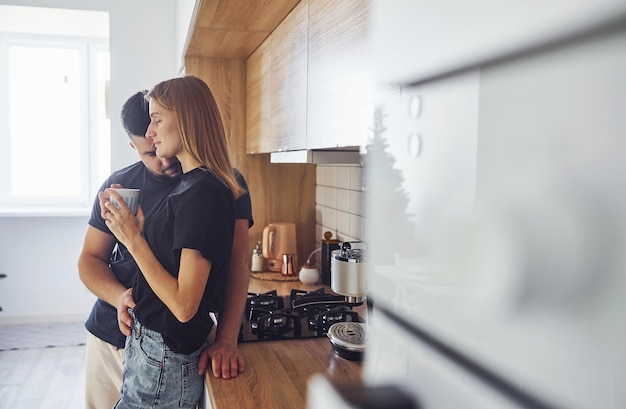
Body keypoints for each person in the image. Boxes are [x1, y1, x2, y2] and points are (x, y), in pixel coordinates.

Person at [78, 90, 252, 409]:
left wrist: (227, 338)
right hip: (112, 337)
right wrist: (119, 296)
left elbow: (238, 263)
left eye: (159, 122)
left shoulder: (222, 183)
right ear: (135, 145)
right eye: (149, 151)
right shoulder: (122, 186)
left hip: (169, 347)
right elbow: (89, 260)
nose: (162, 157)